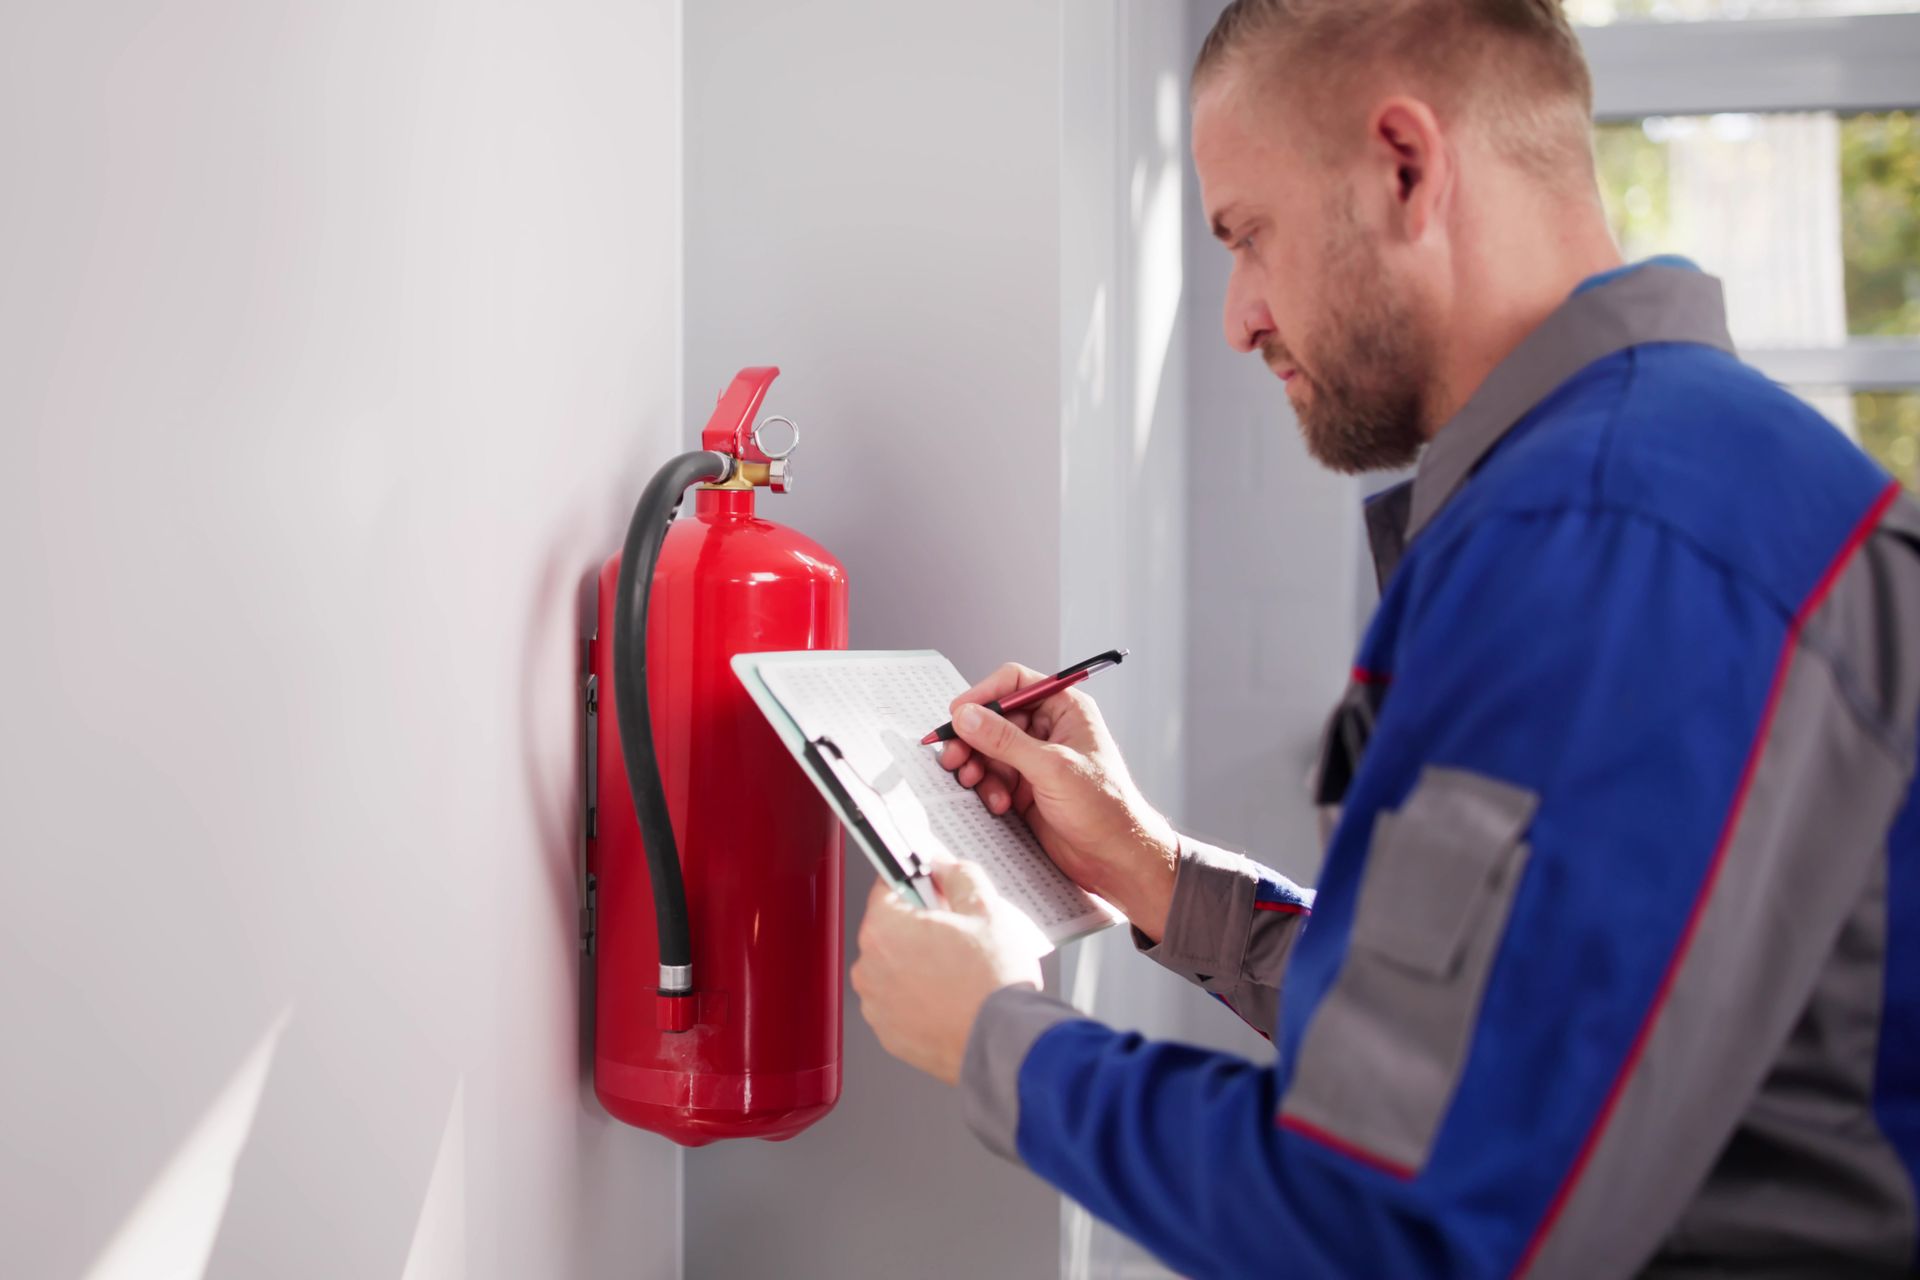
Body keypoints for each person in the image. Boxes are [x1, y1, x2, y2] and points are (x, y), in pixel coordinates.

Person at [850, 1, 1920, 1276]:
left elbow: (1409, 1224)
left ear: (1406, 167)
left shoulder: (1610, 536)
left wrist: (994, 1035)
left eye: (1249, 236)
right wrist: (1149, 868)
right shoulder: (1676, 481)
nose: (1241, 315)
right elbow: (1508, 1048)